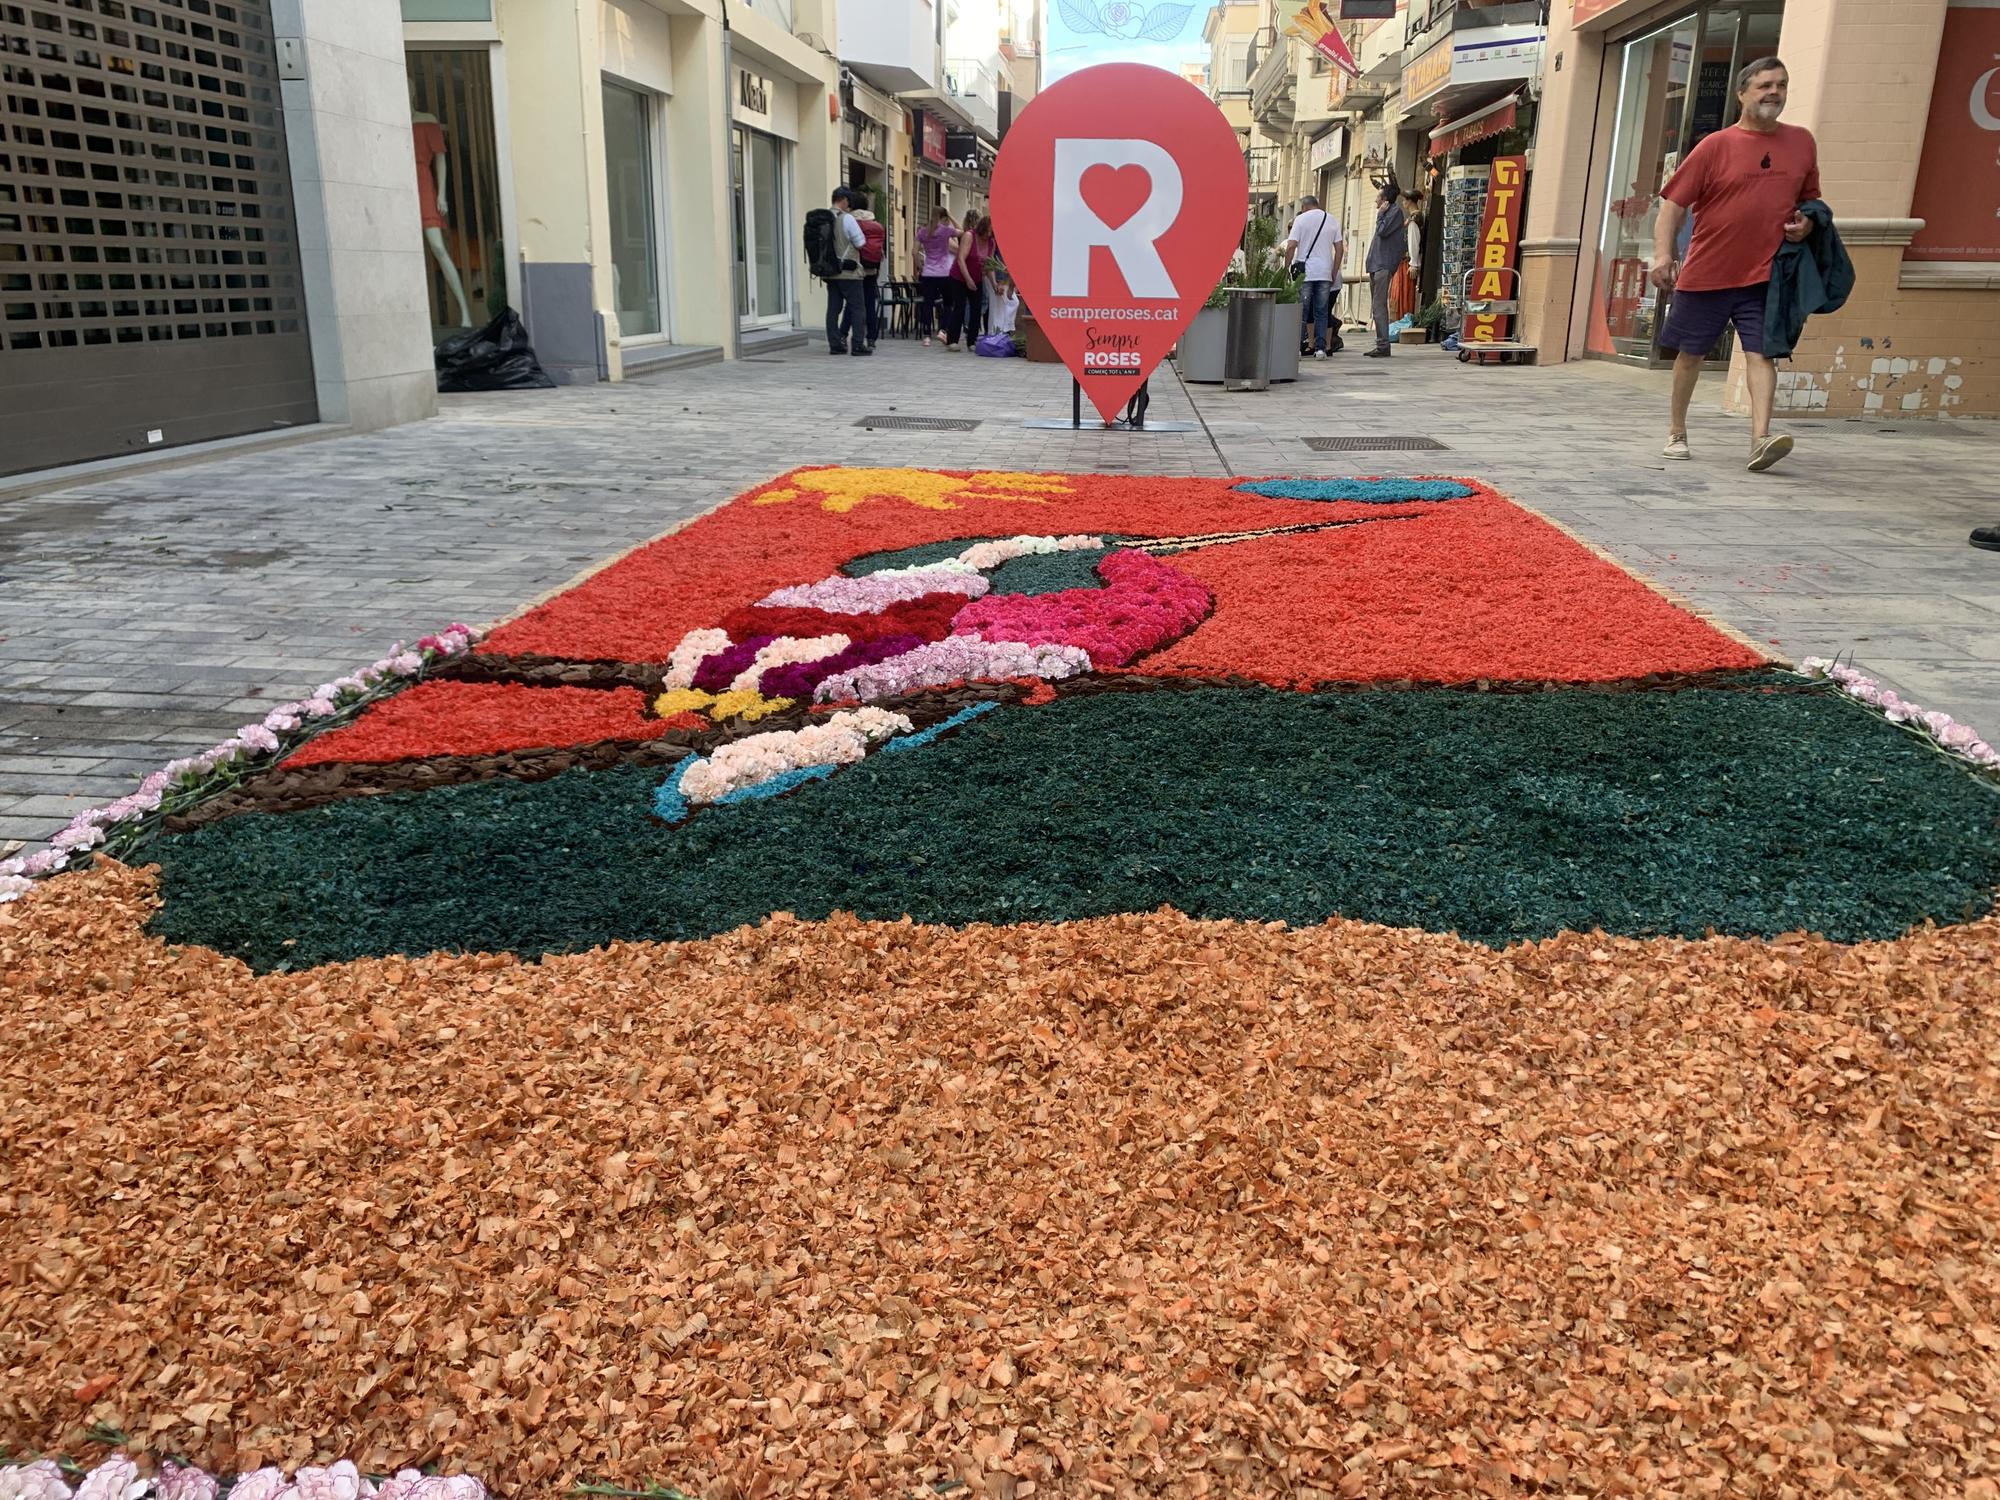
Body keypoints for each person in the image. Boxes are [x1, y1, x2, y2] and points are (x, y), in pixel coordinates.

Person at [1651, 57, 1820, 472]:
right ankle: (1676, 431)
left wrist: (1807, 221)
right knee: (1690, 354)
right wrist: (1663, 254)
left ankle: (1761, 439)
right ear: (1742, 93)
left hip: (1766, 274)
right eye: (1764, 85)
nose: (1773, 92)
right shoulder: (1715, 146)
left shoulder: (1801, 142)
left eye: (1780, 84)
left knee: (1763, 354)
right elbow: (1673, 205)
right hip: (1707, 271)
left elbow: (1811, 200)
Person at [1279, 194, 1343, 359]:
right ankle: (1320, 349)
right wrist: (1334, 271)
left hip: (1305, 273)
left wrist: (1286, 268)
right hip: (1324, 272)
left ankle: (1298, 348)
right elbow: (1340, 249)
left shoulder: (1300, 220)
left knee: (1302, 310)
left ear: (1304, 207)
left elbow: (1291, 246)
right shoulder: (1331, 219)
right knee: (1321, 311)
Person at [822, 186, 869, 357]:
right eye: (848, 201)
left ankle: (835, 345)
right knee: (857, 308)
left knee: (833, 309)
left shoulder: (823, 218)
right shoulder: (846, 219)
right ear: (844, 200)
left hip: (829, 271)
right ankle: (857, 345)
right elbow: (860, 243)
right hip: (849, 272)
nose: (849, 205)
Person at [1362, 185, 1407, 358]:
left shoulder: (1394, 213)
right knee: (1376, 305)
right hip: (1376, 264)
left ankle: (1383, 345)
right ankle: (1381, 343)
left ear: (1385, 200)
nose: (1375, 200)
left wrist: (1380, 215)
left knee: (1379, 305)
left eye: (1378, 197)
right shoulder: (1389, 213)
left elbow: (1382, 232)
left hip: (1383, 265)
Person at [948, 214, 995, 350]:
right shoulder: (969, 236)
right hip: (959, 277)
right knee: (960, 307)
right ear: (982, 228)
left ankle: (972, 341)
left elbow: (989, 265)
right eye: (988, 231)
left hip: (977, 278)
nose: (989, 235)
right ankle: (953, 340)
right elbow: (961, 259)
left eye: (992, 232)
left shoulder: (991, 242)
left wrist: (994, 284)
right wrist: (967, 279)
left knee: (977, 308)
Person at [916, 206, 959, 348]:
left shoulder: (923, 232)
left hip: (928, 273)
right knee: (948, 303)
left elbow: (913, 251)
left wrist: (920, 267)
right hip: (944, 273)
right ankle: (942, 330)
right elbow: (964, 233)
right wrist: (952, 217)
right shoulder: (946, 231)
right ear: (943, 217)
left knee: (928, 304)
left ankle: (926, 336)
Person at [851, 192, 886, 354]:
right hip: (872, 269)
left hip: (856, 268)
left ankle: (845, 334)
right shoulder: (876, 224)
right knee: (870, 305)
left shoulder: (851, 221)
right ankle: (872, 338)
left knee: (853, 305)